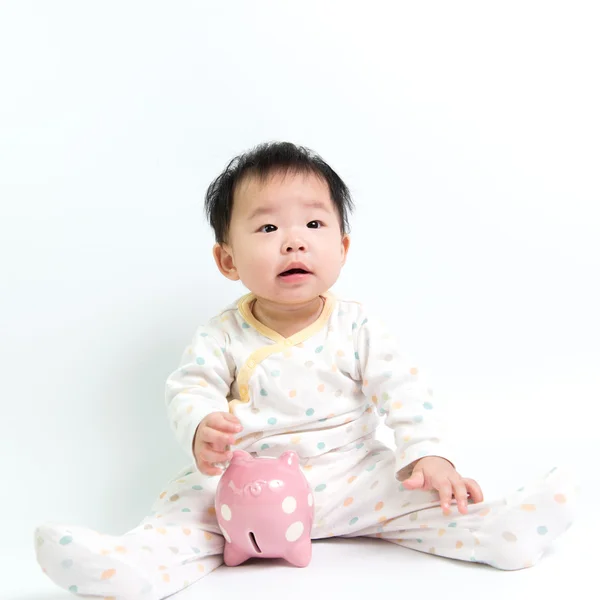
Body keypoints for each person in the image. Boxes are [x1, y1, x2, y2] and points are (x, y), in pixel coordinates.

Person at [35, 142, 576, 599]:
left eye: (313, 223)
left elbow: (405, 391)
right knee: (185, 507)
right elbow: (190, 387)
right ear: (227, 260)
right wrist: (201, 425)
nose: (294, 240)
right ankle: (133, 567)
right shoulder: (221, 334)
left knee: (422, 495)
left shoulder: (358, 326)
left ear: (341, 248)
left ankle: (501, 531)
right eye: (268, 226)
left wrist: (427, 454)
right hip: (242, 484)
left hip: (351, 476)